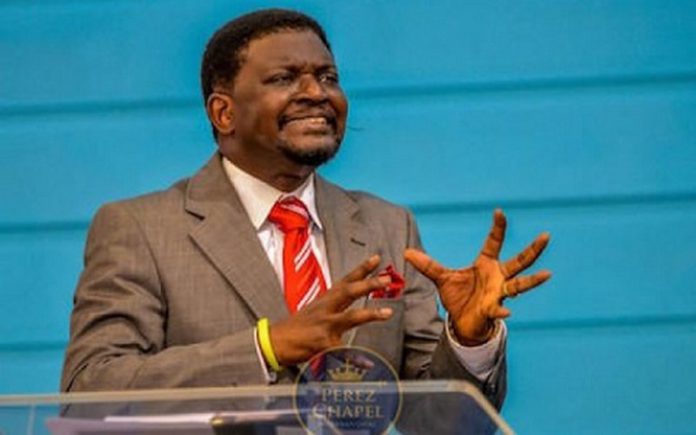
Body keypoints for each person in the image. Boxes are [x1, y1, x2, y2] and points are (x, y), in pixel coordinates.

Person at [60, 9, 551, 412]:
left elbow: (441, 424)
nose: (317, 93)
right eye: (284, 78)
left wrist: (467, 338)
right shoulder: (142, 229)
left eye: (327, 77)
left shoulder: (387, 226)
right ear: (224, 112)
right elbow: (91, 390)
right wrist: (266, 347)